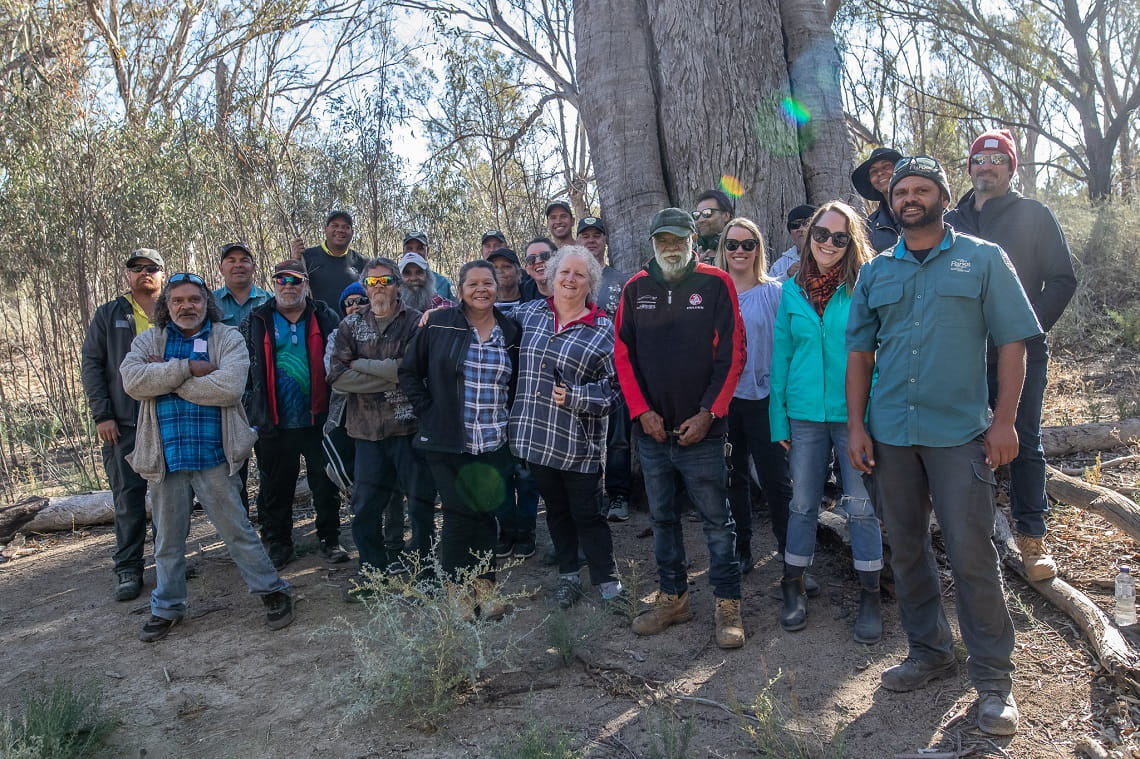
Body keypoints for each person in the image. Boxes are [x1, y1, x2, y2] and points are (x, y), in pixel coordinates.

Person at [846, 156, 1041, 737]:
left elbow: (1013, 344)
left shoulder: (982, 259)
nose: (909, 198)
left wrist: (1004, 422)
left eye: (921, 189)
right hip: (891, 436)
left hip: (960, 435)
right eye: (901, 190)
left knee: (972, 553)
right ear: (891, 202)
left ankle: (993, 683)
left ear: (940, 196)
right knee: (906, 549)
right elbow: (860, 355)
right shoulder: (876, 272)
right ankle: (930, 652)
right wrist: (856, 427)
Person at [120, 273, 293, 642]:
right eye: (178, 300)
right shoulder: (150, 339)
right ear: (167, 305)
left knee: (238, 532)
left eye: (194, 300)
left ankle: (272, 591)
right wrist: (188, 369)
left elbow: (229, 388)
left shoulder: (226, 337)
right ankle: (166, 607)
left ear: (206, 303)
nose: (187, 306)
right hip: (166, 457)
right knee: (167, 540)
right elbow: (133, 382)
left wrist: (164, 376)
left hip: (214, 453)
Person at [944, 129, 1077, 582]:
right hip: (961, 353)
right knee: (963, 438)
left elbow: (1062, 279)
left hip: (1019, 351)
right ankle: (972, 535)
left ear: (1011, 167)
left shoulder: (1034, 215)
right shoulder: (951, 219)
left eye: (998, 159)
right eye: (979, 159)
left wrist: (1022, 329)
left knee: (1022, 436)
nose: (987, 165)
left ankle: (1031, 538)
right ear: (968, 167)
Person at [614, 207, 746, 649]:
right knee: (662, 518)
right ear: (652, 244)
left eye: (678, 239)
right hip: (652, 433)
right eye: (663, 240)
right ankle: (673, 597)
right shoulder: (635, 289)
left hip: (703, 431)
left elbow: (734, 353)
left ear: (694, 239)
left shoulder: (716, 283)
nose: (671, 248)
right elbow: (623, 355)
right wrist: (640, 411)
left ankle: (727, 602)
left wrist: (710, 412)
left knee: (715, 518)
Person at [769, 202, 883, 642]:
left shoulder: (864, 286)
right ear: (809, 235)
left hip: (855, 416)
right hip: (803, 416)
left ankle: (870, 594)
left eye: (839, 237)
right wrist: (778, 419)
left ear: (851, 240)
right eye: (821, 234)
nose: (828, 244)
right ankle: (792, 586)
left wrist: (871, 419)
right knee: (802, 504)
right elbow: (781, 357)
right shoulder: (791, 289)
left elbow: (878, 354)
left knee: (861, 505)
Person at [399, 259, 521, 620]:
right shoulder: (439, 323)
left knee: (485, 514)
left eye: (488, 283)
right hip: (448, 442)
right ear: (461, 288)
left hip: (494, 440)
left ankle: (486, 589)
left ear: (497, 287)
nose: (482, 290)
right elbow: (409, 371)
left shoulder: (511, 331)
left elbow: (513, 386)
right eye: (474, 284)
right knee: (457, 514)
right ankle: (458, 596)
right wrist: (429, 412)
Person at [509, 246, 623, 609]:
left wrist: (576, 396)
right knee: (555, 510)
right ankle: (568, 577)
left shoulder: (604, 329)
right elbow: (480, 314)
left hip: (579, 443)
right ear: (551, 277)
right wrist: (436, 312)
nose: (571, 280)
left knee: (587, 514)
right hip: (535, 436)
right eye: (564, 273)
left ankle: (608, 582)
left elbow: (618, 390)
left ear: (591, 283)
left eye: (579, 275)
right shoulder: (528, 315)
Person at [329, 258, 435, 586]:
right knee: (365, 508)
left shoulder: (416, 322)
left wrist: (361, 364)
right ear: (364, 286)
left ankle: (424, 569)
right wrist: (392, 373)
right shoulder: (350, 326)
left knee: (420, 505)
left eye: (385, 281)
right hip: (366, 431)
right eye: (372, 283)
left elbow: (412, 373)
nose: (379, 288)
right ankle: (372, 572)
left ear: (398, 285)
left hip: (409, 428)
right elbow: (337, 378)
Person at [241, 260, 346, 569]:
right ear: (273, 283)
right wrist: (252, 407)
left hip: (319, 418)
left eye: (295, 280)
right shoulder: (256, 319)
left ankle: (330, 538)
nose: (288, 286)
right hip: (274, 420)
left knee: (325, 484)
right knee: (275, 487)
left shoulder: (325, 316)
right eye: (281, 280)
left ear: (305, 284)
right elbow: (243, 367)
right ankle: (278, 542)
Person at [81, 249, 166, 601]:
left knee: (169, 497)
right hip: (125, 422)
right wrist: (103, 414)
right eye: (136, 268)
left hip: (169, 419)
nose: (144, 273)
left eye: (152, 268)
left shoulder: (174, 309)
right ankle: (129, 569)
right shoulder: (110, 313)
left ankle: (168, 563)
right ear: (127, 275)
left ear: (164, 274)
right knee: (129, 499)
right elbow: (92, 365)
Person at [712, 218, 793, 575]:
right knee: (733, 478)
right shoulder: (713, 294)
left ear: (758, 249)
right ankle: (741, 548)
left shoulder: (775, 292)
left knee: (777, 479)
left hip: (767, 400)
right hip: (726, 402)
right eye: (732, 245)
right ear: (723, 250)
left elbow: (789, 346)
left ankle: (791, 552)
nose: (740, 251)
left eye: (748, 244)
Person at [575, 216, 634, 521]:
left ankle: (619, 495)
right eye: (585, 235)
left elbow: (630, 327)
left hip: (615, 371)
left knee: (618, 437)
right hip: (580, 371)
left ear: (605, 240)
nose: (591, 240)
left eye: (596, 235)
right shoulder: (572, 277)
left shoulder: (620, 280)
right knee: (583, 436)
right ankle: (588, 497)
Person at [292, 211, 369, 311]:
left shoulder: (363, 262)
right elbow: (292, 288)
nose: (340, 230)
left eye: (346, 227)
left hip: (353, 325)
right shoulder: (306, 257)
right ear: (325, 229)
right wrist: (294, 261)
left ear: (352, 232)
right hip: (317, 324)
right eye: (335, 225)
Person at [851, 147, 904, 253]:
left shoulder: (921, 207)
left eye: (886, 166)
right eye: (874, 171)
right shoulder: (869, 226)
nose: (880, 173)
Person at [214, 242, 272, 328]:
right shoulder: (210, 302)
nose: (238, 265)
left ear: (253, 267)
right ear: (221, 269)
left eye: (244, 260)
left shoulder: (270, 300)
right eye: (231, 261)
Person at [768, 205, 817, 282]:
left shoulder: (829, 256)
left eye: (807, 223)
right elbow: (768, 291)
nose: (801, 229)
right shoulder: (779, 266)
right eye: (795, 225)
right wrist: (787, 276)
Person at [403, 231, 456, 301]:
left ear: (428, 251)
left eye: (420, 248)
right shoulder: (394, 282)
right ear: (403, 251)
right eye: (410, 248)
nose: (415, 252)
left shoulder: (444, 283)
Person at [692, 189, 734, 263]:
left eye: (707, 213)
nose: (700, 220)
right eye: (697, 215)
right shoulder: (692, 254)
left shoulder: (741, 250)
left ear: (726, 216)